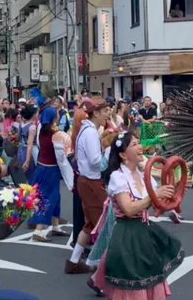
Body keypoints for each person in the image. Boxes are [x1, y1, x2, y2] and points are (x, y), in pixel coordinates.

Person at [94, 133, 184, 299]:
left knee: (150, 276)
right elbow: (128, 209)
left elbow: (158, 207)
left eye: (138, 143)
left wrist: (173, 191)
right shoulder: (118, 177)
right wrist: (154, 195)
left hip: (145, 232)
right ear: (123, 154)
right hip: (126, 234)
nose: (140, 147)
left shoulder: (144, 176)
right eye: (134, 144)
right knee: (133, 279)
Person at [66, 98, 109, 274]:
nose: (108, 114)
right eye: (105, 111)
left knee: (91, 222)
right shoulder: (90, 133)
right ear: (96, 113)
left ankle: (74, 261)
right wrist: (110, 153)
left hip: (86, 180)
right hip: (91, 181)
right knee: (105, 222)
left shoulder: (86, 130)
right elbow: (95, 161)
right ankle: (102, 270)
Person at [30, 106, 73, 243]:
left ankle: (55, 226)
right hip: (51, 169)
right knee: (49, 198)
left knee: (53, 197)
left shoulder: (40, 130)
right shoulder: (55, 134)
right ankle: (38, 229)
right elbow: (62, 155)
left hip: (41, 166)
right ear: (54, 117)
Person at [17, 105, 38, 184]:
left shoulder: (21, 125)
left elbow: (17, 138)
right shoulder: (32, 127)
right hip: (30, 152)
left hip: (21, 150)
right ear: (33, 114)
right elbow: (30, 144)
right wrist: (28, 160)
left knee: (26, 176)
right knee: (32, 177)